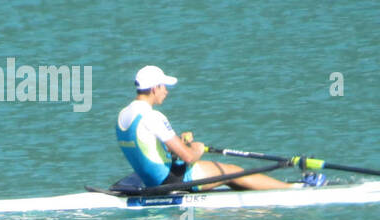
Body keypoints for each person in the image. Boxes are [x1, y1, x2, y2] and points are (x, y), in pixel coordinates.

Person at [115, 66, 318, 191]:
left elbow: (149, 148)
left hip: (151, 179)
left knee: (225, 175)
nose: (166, 91)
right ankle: (293, 188)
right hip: (171, 180)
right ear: (153, 89)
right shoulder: (153, 116)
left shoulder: (123, 114)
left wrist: (181, 143)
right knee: (232, 172)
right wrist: (196, 147)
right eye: (163, 87)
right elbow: (188, 157)